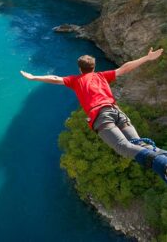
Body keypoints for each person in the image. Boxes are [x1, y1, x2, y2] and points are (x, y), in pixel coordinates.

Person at [20, 47, 167, 183]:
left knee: (123, 147)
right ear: (94, 67)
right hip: (117, 112)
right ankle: (163, 157)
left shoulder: (75, 80)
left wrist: (33, 77)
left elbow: (55, 78)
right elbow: (124, 68)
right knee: (139, 144)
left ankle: (162, 165)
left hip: (102, 116)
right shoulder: (102, 76)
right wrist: (146, 58)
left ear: (80, 69)